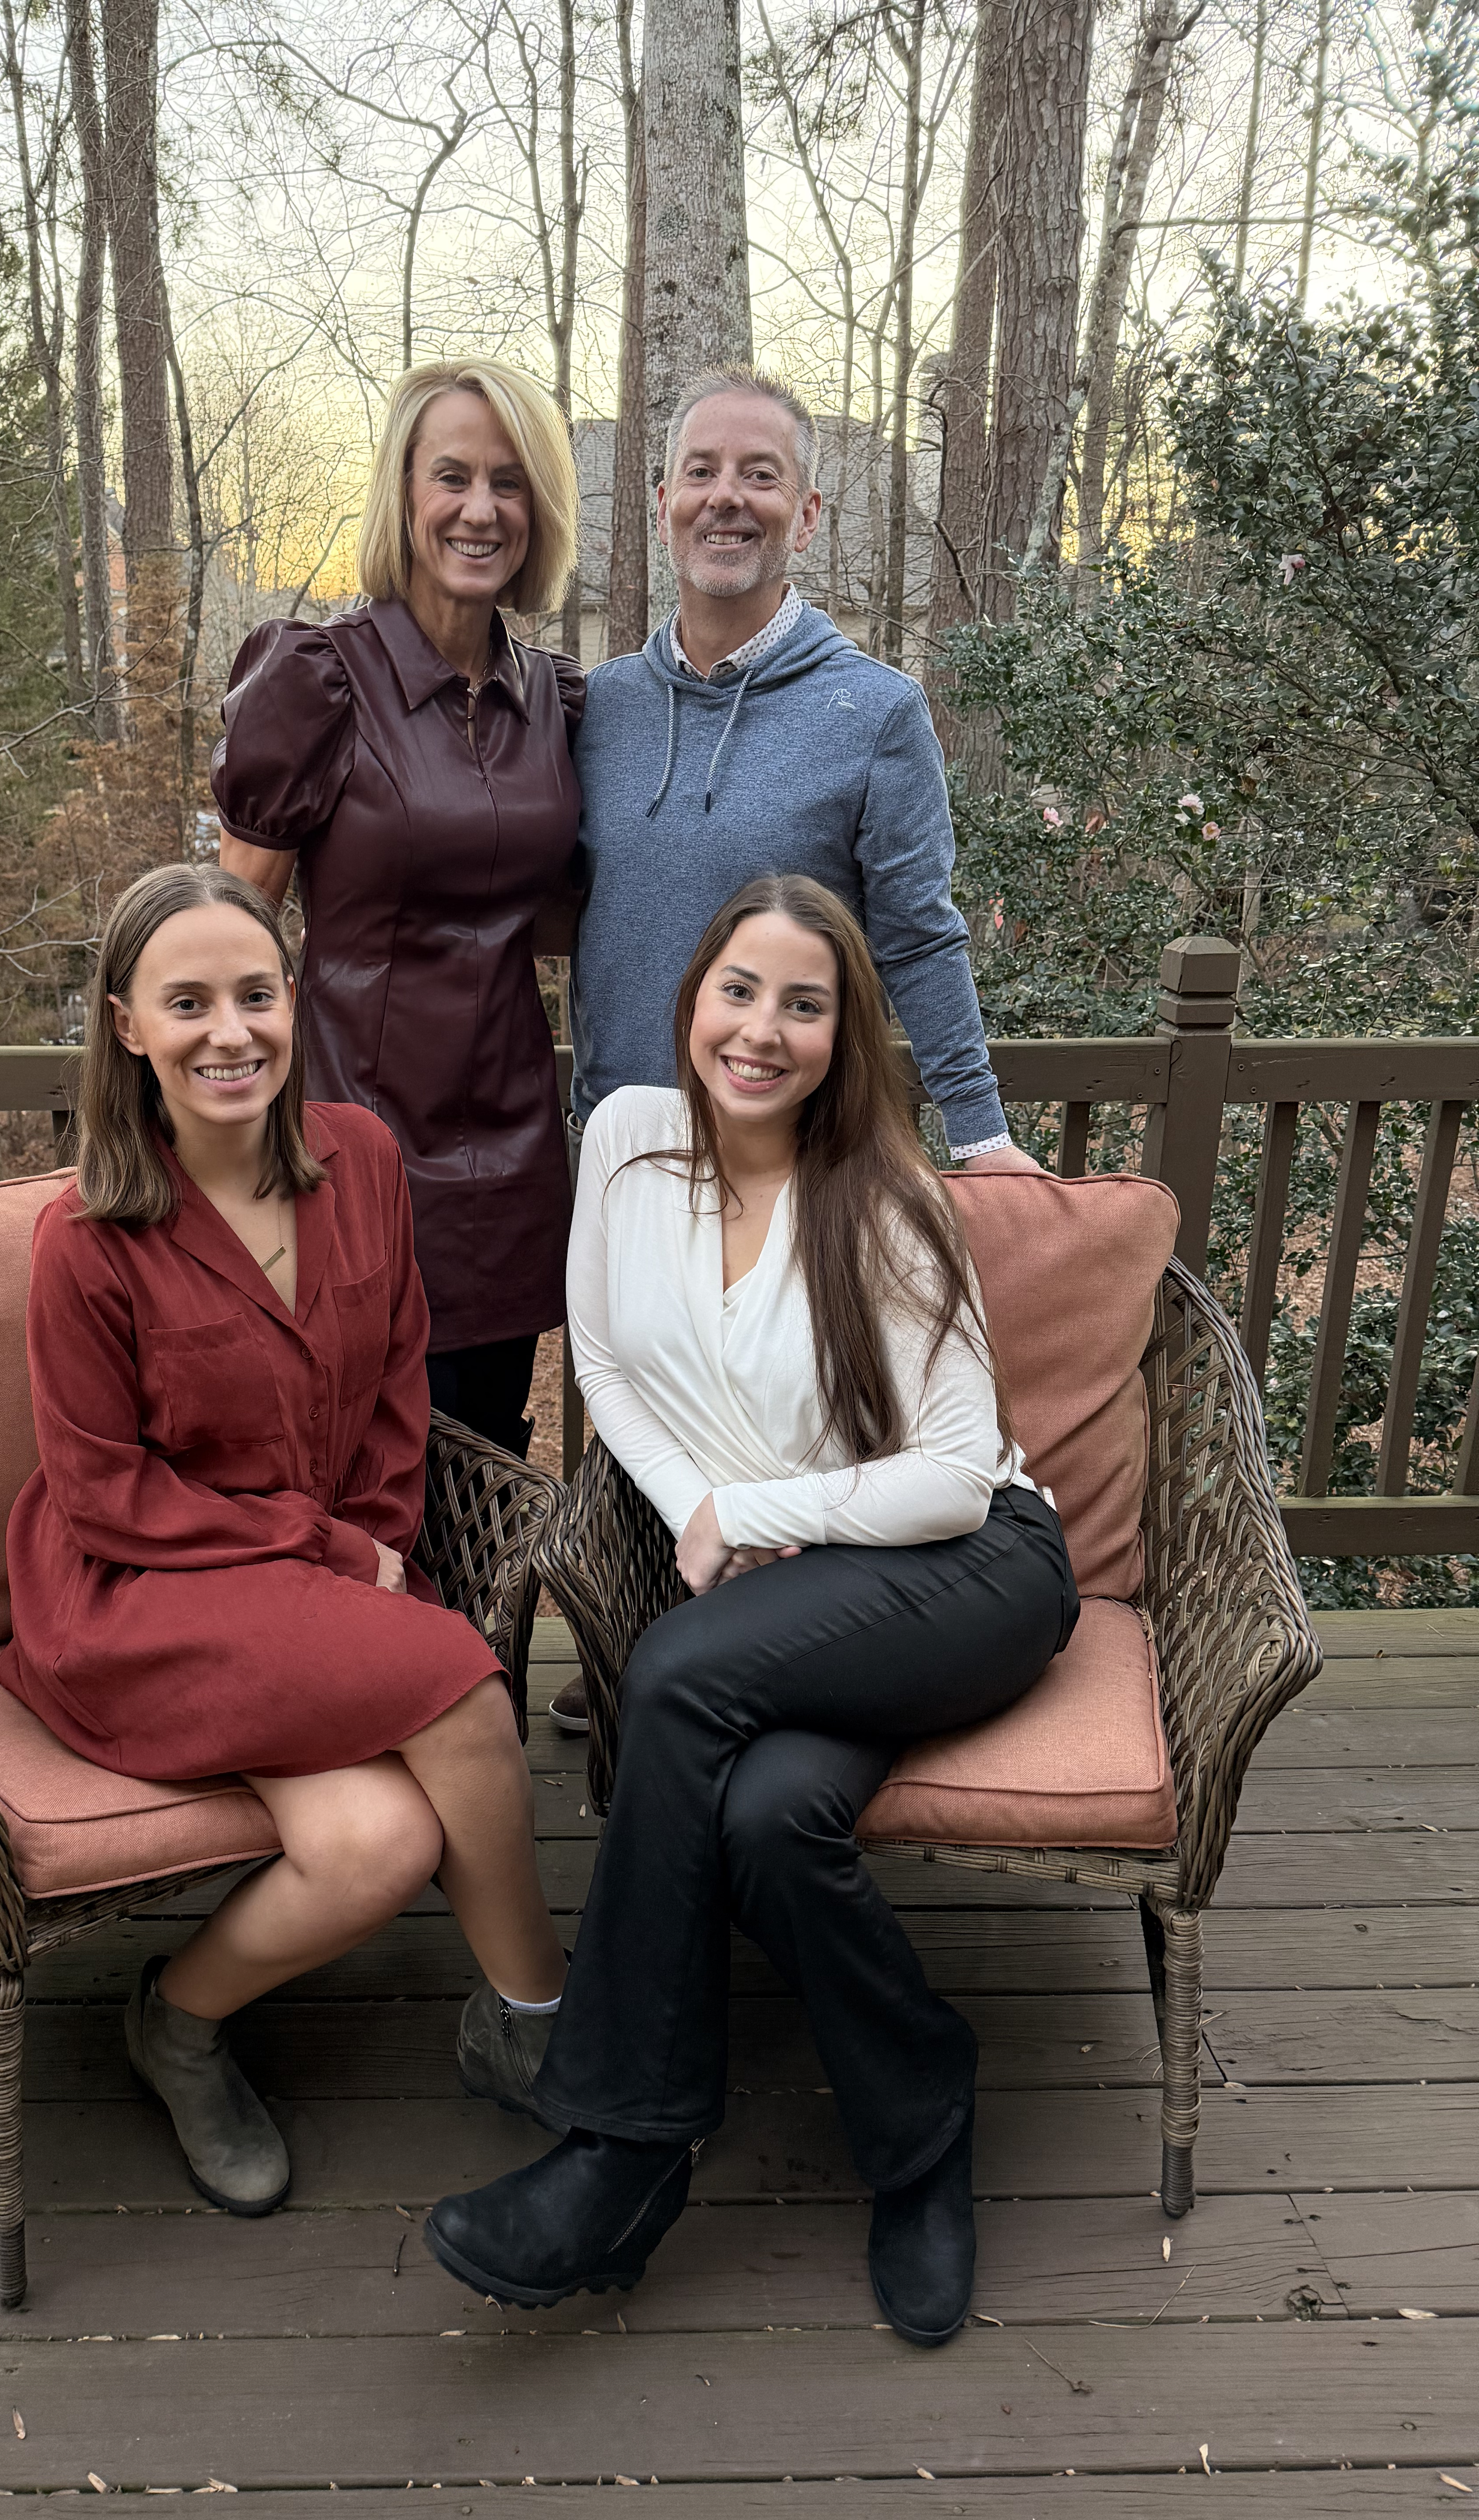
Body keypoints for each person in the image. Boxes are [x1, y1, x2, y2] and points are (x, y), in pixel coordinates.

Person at [423, 874, 1077, 2344]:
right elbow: (601, 1357)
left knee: (673, 1676)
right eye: (740, 990)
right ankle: (922, 2127)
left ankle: (624, 2145)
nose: (761, 1030)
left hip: (969, 1569)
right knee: (770, 1815)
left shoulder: (890, 1204)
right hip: (793, 1588)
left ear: (845, 1035)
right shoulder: (626, 1141)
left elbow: (958, 1479)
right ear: (692, 993)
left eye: (804, 1003)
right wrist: (697, 1521)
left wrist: (754, 1517)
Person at [0, 864, 570, 2216]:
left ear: (292, 1002)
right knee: (465, 1687)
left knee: (376, 1846)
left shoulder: (360, 1159)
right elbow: (98, 1494)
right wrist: (322, 1549)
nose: (228, 1032)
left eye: (254, 995)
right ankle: (538, 2022)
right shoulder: (84, 1243)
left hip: (320, 1586)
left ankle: (172, 2023)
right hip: (144, 1597)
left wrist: (375, 1532)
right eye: (185, 1002)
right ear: (126, 1024)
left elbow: (397, 1379)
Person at [543, 360, 1039, 1734]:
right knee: (632, 1395)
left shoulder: (871, 710)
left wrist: (977, 1127)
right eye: (703, 470)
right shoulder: (602, 709)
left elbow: (921, 933)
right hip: (628, 1138)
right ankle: (633, 1652)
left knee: (789, 1408)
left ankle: (770, 1653)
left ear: (806, 512)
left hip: (794, 1141)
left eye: (761, 475)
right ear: (658, 503)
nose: (729, 498)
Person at [214, 358, 583, 1460]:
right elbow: (231, 935)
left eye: (510, 483)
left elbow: (569, 910)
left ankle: (487, 1648)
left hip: (514, 1157)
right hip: (351, 1153)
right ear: (404, 492)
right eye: (453, 476)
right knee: (360, 1474)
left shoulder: (557, 702)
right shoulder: (320, 681)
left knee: (491, 1475)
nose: (482, 510)